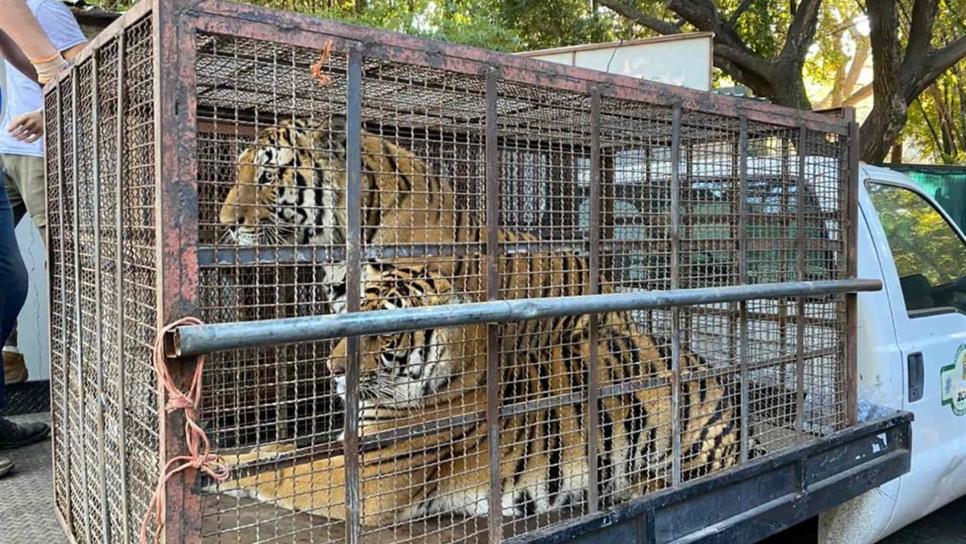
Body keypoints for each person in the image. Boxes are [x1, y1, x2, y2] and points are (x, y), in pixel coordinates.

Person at [0, 0, 79, 478]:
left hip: (34, 150)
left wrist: (53, 100)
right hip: (10, 149)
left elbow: (93, 71)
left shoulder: (47, 6)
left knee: (23, 276)